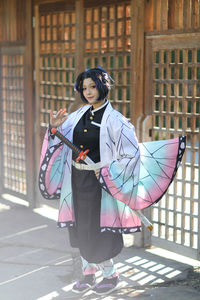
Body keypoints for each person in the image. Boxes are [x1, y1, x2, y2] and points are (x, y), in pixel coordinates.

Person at [39, 67, 186, 295]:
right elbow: (59, 141)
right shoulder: (77, 115)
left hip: (101, 183)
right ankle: (88, 273)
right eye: (84, 87)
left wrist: (108, 170)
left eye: (93, 86)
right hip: (77, 179)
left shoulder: (117, 121)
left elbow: (131, 155)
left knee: (97, 228)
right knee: (79, 225)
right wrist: (55, 128)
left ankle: (111, 274)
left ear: (102, 86)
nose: (88, 92)